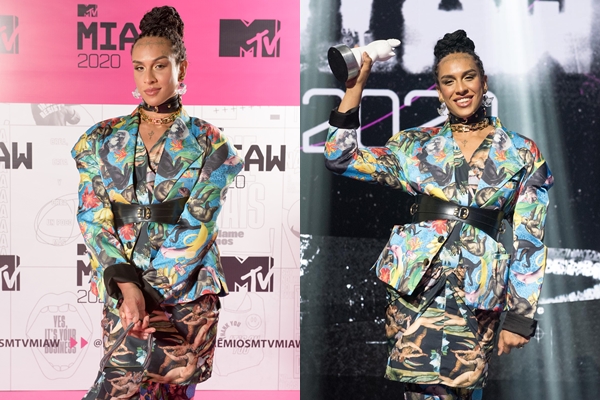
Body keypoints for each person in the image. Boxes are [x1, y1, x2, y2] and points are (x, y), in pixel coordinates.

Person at [324, 30, 553, 400]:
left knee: (462, 392)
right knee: (420, 393)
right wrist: (355, 87)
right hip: (416, 289)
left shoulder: (521, 152)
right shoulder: (415, 146)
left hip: (477, 292)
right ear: (439, 91)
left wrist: (520, 316)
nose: (460, 88)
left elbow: (530, 239)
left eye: (468, 77)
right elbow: (340, 157)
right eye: (449, 81)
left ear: (483, 82)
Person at [72, 6, 243, 399]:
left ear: (181, 68)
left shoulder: (211, 142)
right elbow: (93, 216)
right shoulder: (100, 139)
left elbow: (199, 222)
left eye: (160, 66)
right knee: (121, 386)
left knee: (175, 388)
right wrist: (125, 284)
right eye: (139, 67)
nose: (148, 78)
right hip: (124, 287)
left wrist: (145, 292)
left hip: (185, 291)